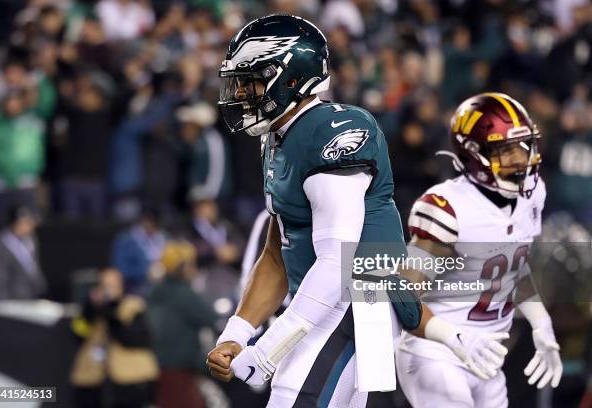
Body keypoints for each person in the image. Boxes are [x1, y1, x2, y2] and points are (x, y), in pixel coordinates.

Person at [207, 15, 511, 407]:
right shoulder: (276, 141)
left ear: (291, 77)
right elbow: (277, 256)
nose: (242, 92)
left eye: (252, 80)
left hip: (357, 306)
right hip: (320, 310)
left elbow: (339, 261)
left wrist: (266, 351)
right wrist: (236, 332)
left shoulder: (334, 130)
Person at [395, 93, 563, 407]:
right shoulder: (448, 207)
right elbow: (404, 295)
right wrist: (453, 337)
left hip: (488, 359)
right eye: (506, 150)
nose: (519, 159)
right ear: (474, 153)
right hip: (437, 353)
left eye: (523, 146)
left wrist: (542, 324)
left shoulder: (532, 194)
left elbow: (512, 270)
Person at [70, 267, 158, 408]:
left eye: (112, 285)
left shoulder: (133, 305)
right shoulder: (92, 308)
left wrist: (109, 312)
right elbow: (77, 336)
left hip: (129, 381)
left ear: (121, 285)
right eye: (104, 285)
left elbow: (135, 339)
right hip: (94, 380)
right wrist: (89, 310)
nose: (108, 291)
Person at [147, 241, 219, 408]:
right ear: (182, 267)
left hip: (160, 366)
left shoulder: (155, 291)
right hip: (181, 368)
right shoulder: (184, 294)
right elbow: (213, 319)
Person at [0, 206, 46, 300]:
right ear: (15, 224)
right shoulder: (2, 245)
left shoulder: (31, 240)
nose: (30, 226)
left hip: (31, 295)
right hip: (12, 298)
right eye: (25, 223)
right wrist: (3, 302)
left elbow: (34, 266)